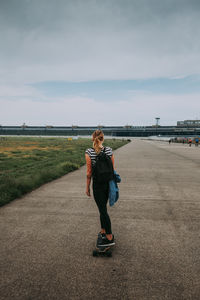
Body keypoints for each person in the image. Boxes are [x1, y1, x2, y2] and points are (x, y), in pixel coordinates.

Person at [85, 129, 115, 247]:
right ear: (103, 138)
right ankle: (103, 230)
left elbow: (89, 173)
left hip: (97, 185)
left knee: (102, 210)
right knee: (102, 209)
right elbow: (112, 169)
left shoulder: (89, 152)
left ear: (93, 138)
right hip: (108, 184)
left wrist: (87, 187)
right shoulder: (109, 150)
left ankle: (109, 236)